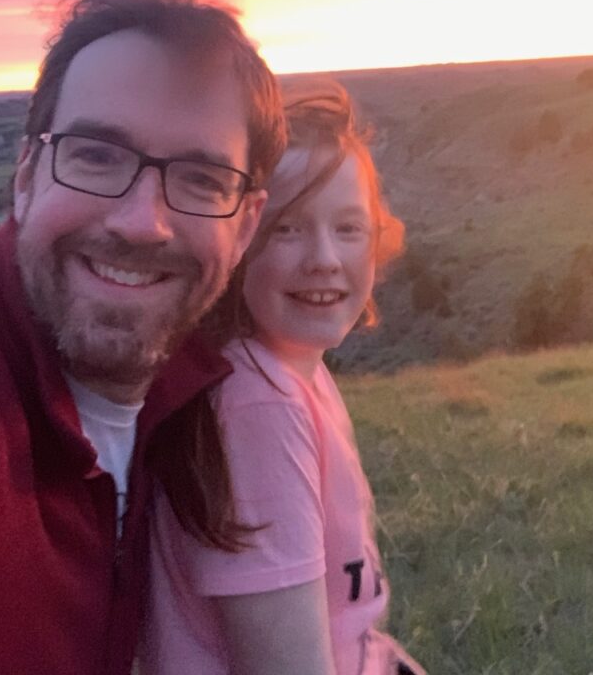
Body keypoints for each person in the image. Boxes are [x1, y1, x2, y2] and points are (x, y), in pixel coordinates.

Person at [0, 0, 285, 675]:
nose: (142, 224)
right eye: (97, 156)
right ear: (27, 174)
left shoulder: (198, 388)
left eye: (200, 179)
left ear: (247, 225)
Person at [144, 80, 426, 675]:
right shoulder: (254, 406)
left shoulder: (287, 372)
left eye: (349, 228)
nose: (324, 257)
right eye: (287, 228)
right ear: (239, 242)